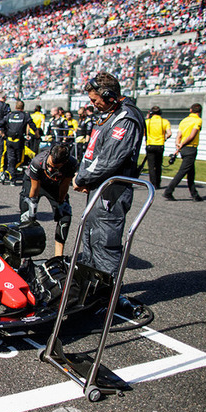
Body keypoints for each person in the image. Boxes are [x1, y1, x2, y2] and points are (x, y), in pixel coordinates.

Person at [73, 72, 145, 277]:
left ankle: (106, 299)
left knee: (104, 245)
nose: (93, 104)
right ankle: (88, 291)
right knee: (89, 239)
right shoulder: (111, 114)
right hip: (99, 188)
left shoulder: (125, 117)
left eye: (95, 100)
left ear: (108, 95)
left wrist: (82, 178)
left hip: (111, 193)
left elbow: (109, 159)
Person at [20, 144, 77, 257]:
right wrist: (32, 206)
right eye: (49, 165)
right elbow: (34, 190)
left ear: (64, 163)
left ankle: (58, 257)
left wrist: (61, 203)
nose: (51, 169)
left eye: (55, 167)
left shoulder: (71, 163)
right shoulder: (38, 162)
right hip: (35, 183)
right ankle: (26, 257)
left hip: (56, 185)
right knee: (27, 215)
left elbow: (65, 185)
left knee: (65, 216)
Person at [164, 103, 204, 202]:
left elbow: (179, 135)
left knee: (191, 172)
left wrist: (178, 145)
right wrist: (182, 144)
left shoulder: (184, 120)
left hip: (184, 148)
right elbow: (192, 135)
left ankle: (194, 194)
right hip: (191, 147)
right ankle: (168, 191)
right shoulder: (198, 120)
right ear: (199, 111)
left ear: (191, 110)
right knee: (182, 171)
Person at [2, 99, 37, 184]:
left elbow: (0, 124)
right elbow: (32, 125)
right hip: (19, 141)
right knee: (19, 160)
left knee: (12, 159)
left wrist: (2, 133)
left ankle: (8, 174)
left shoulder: (9, 115)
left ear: (15, 107)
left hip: (9, 140)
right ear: (23, 107)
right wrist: (37, 133)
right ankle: (11, 177)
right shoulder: (25, 115)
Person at [144, 106, 172, 189]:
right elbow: (169, 133)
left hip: (150, 145)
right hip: (160, 145)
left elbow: (143, 133)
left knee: (151, 166)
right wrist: (164, 138)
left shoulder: (147, 122)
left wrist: (147, 117)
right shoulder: (164, 121)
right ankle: (158, 183)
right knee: (158, 165)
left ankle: (153, 184)